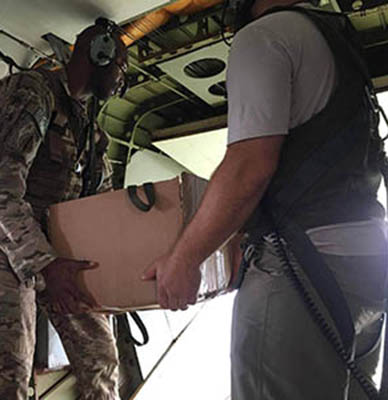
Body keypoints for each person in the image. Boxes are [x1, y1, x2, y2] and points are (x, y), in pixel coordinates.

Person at [143, 0, 388, 399]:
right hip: (368, 271)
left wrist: (184, 259)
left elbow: (248, 166)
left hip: (303, 268)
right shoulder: (337, 38)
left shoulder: (263, 37)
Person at [0, 19, 128, 400]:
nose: (121, 81)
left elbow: (103, 209)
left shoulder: (93, 135)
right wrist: (44, 264)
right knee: (1, 379)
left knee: (102, 364)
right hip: (3, 250)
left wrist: (115, 281)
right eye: (121, 67)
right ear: (99, 53)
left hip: (60, 255)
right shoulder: (34, 94)